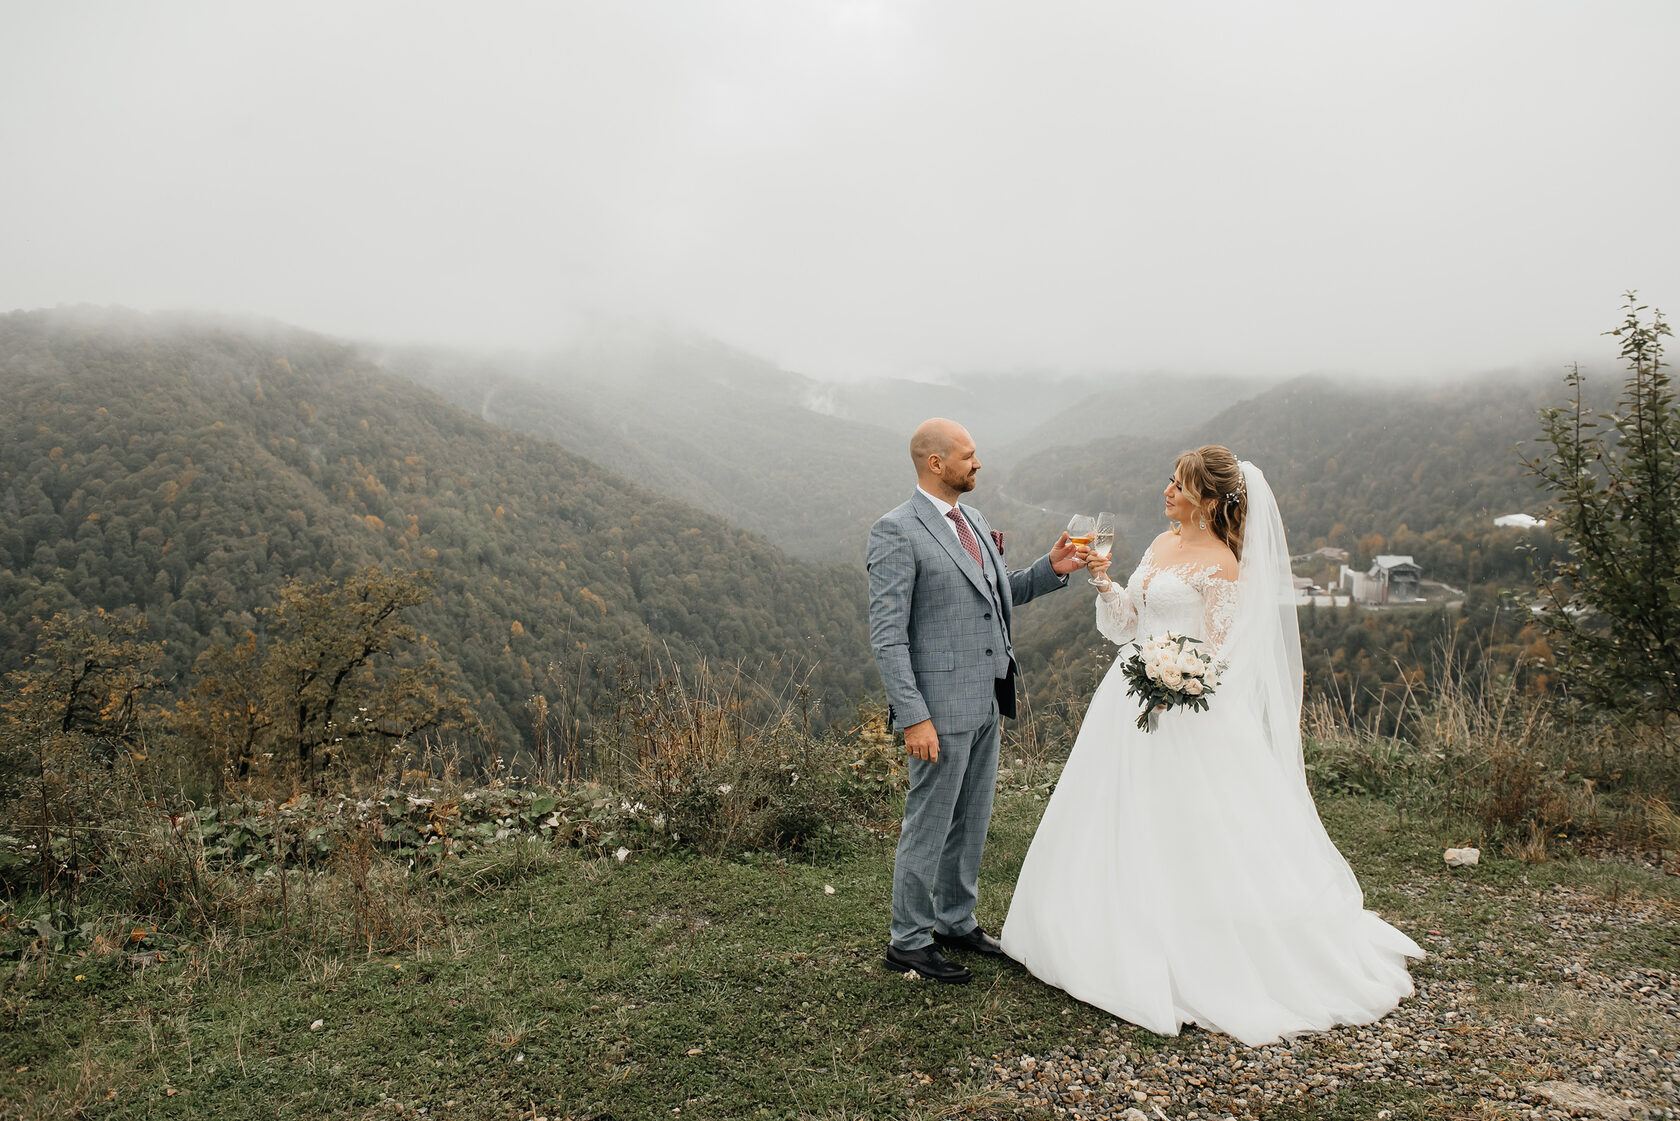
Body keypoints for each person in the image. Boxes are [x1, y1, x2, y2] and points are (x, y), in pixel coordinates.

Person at [1000, 445, 1422, 1044]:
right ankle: (1100, 927)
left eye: (1179, 483)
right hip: (1126, 698)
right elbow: (1127, 623)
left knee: (1189, 829)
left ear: (1208, 497)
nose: (1167, 489)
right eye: (1170, 479)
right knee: (1112, 816)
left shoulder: (1224, 564)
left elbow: (1224, 657)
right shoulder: (1159, 544)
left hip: (1184, 711)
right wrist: (1102, 583)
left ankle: (1191, 942)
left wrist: (1178, 678)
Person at [867, 418, 1086, 984]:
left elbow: (997, 592)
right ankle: (909, 940)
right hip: (937, 709)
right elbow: (888, 636)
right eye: (968, 455)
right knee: (929, 821)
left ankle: (954, 920)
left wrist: (1049, 571)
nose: (978, 463)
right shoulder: (896, 531)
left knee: (973, 819)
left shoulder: (974, 521)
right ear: (935, 463)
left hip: (989, 697)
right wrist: (913, 715)